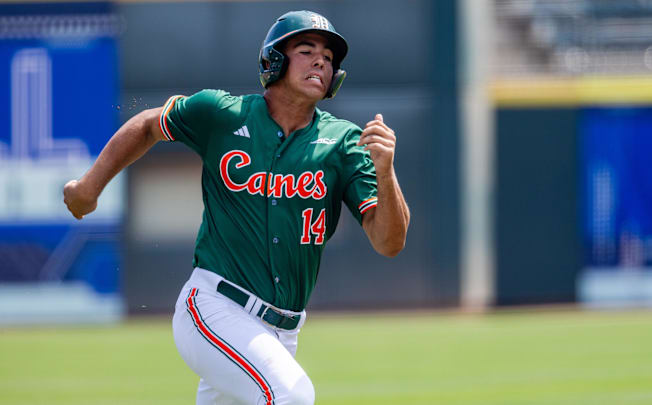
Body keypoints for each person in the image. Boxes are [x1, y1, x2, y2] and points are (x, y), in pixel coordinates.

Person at [63, 10, 409, 405]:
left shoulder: (346, 143)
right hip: (215, 306)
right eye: (307, 49)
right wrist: (89, 187)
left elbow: (389, 243)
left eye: (329, 58)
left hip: (283, 332)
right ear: (274, 60)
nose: (321, 61)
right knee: (291, 395)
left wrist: (386, 173)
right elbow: (147, 125)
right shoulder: (222, 114)